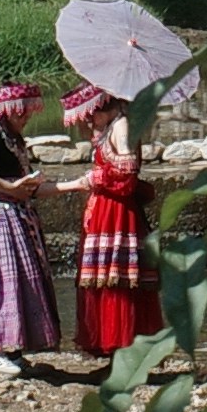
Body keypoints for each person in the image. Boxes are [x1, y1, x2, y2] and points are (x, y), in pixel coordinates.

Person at [0, 78, 57, 366]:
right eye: (20, 112)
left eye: (26, 111)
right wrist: (9, 187)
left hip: (14, 214)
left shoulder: (14, 140)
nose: (25, 117)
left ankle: (12, 348)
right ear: (4, 111)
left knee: (19, 279)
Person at [68, 78, 151, 363]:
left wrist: (96, 179)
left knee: (117, 280)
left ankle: (121, 350)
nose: (89, 120)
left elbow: (127, 178)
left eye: (92, 113)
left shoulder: (122, 126)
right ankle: (114, 351)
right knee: (105, 279)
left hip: (116, 214)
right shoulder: (113, 126)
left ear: (104, 105)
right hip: (106, 211)